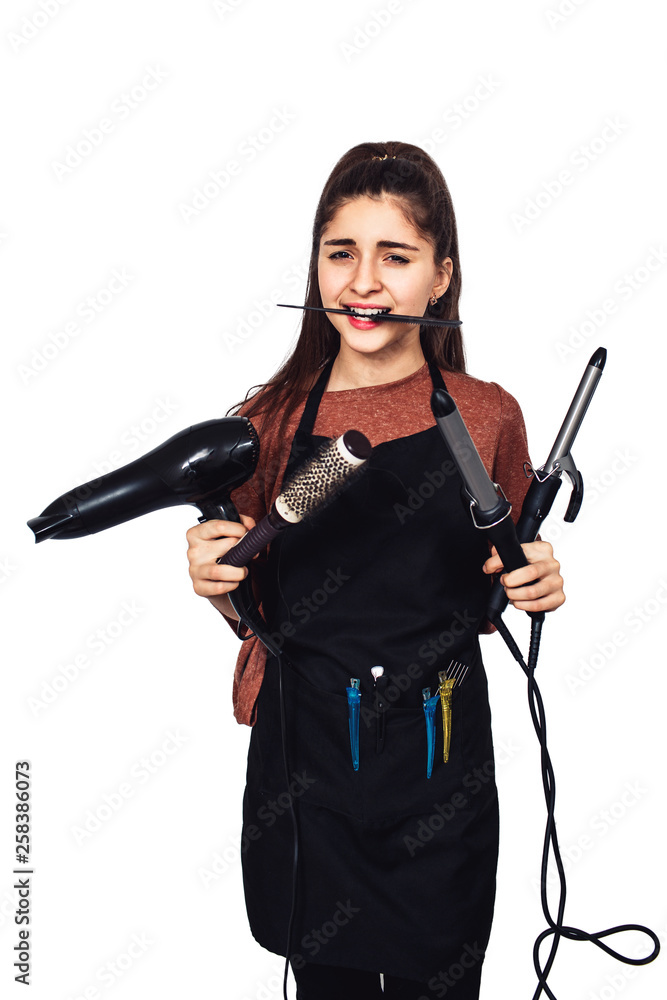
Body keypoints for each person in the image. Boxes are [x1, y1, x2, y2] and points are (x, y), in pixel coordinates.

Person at [186, 141, 565, 1000]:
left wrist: (534, 582)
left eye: (394, 256)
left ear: (440, 276)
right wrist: (215, 579)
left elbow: (501, 577)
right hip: (310, 771)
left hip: (440, 765)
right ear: (315, 268)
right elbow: (252, 609)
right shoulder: (265, 423)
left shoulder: (486, 416)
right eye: (339, 253)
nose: (363, 281)